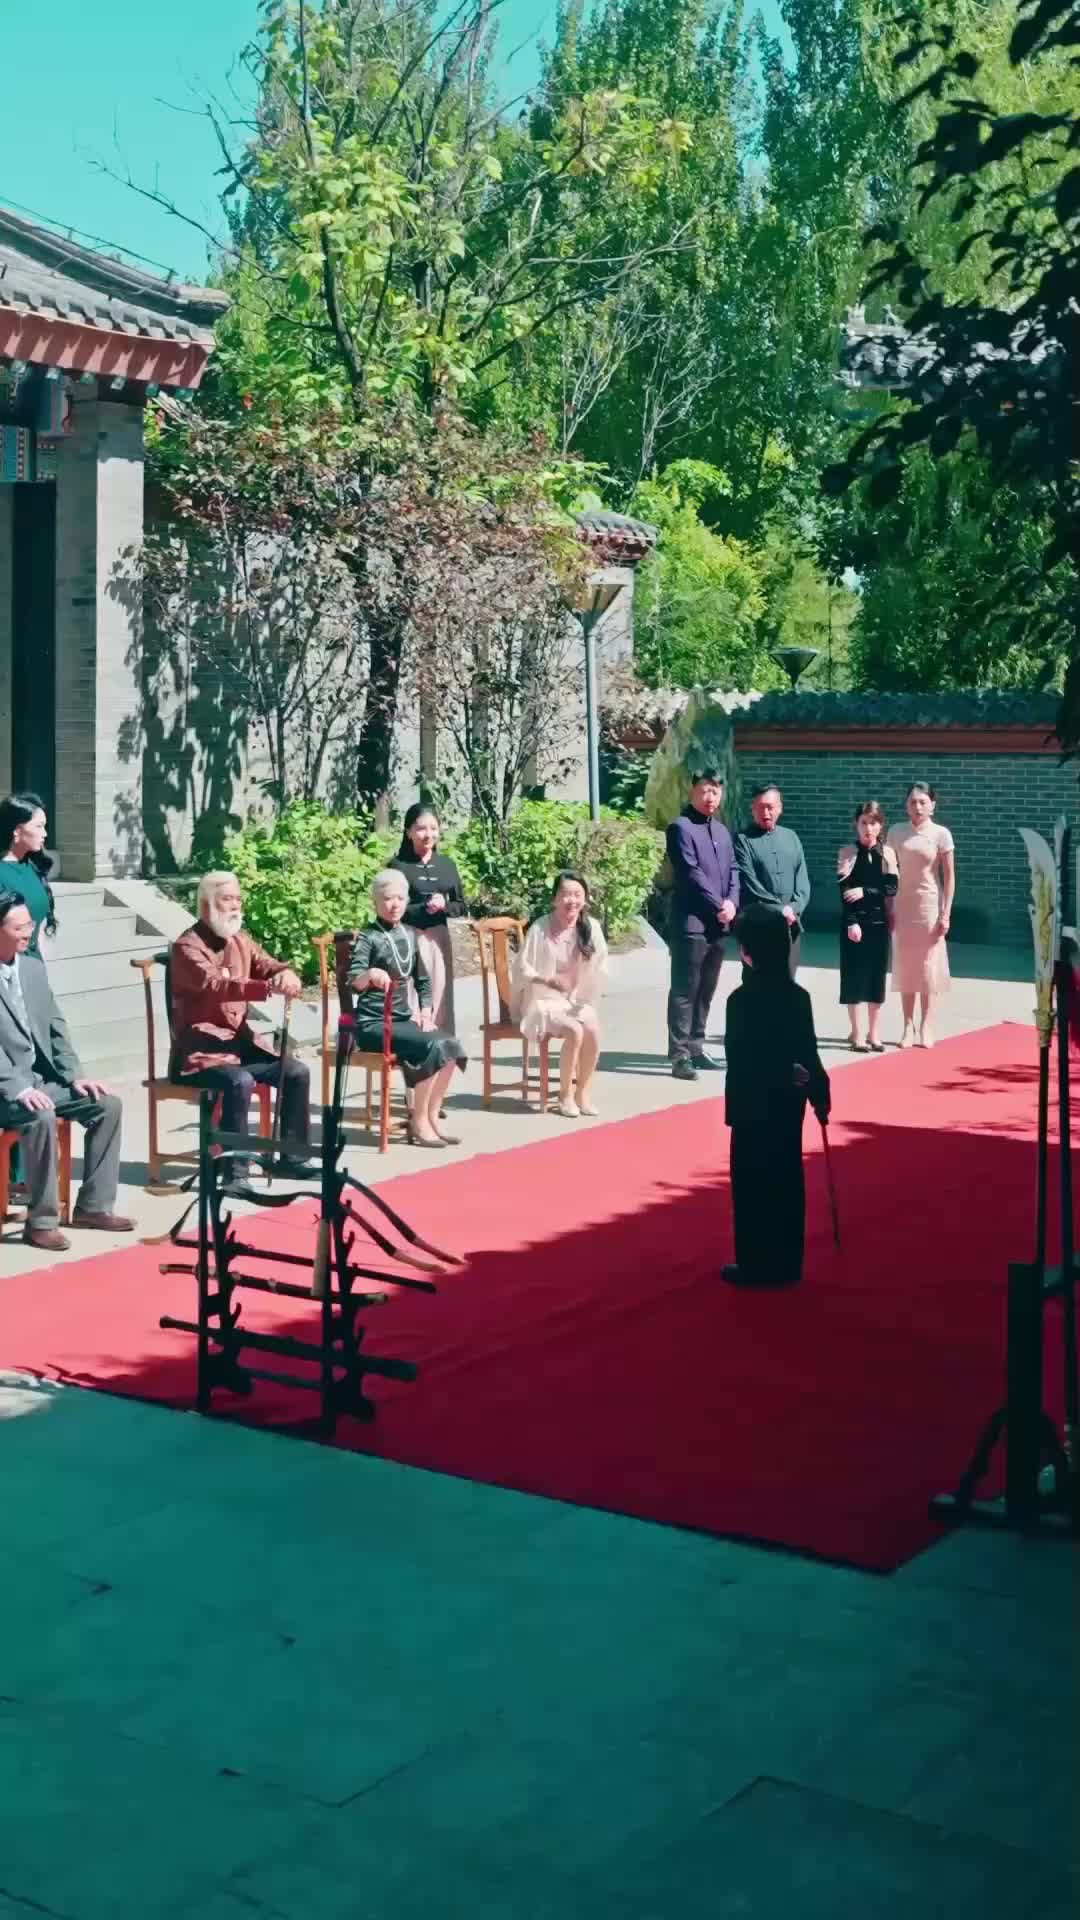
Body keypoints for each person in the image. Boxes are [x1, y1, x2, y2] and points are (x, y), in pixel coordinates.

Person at [0, 890, 133, 1251]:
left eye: (29, 924)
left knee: (107, 1105)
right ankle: (41, 1222)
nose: (28, 931)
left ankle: (93, 1206)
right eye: (19, 927)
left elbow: (55, 1025)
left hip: (41, 1080)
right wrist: (18, 1088)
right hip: (6, 1089)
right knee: (40, 1114)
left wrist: (75, 1075)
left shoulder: (31, 967)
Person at [169, 871, 314, 1179]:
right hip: (202, 1053)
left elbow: (266, 964)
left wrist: (284, 973)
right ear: (206, 905)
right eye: (227, 899)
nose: (235, 906)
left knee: (296, 1072)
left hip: (239, 1046)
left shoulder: (240, 940)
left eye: (238, 899)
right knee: (240, 1081)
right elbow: (214, 984)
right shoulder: (186, 947)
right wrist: (264, 988)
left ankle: (293, 1159)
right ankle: (234, 1171)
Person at [721, 906, 830, 1288]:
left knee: (751, 1184)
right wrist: (819, 1093)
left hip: (752, 1104)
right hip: (787, 1100)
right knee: (786, 1177)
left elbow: (738, 1060)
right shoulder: (798, 997)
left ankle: (754, 1264)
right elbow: (809, 1053)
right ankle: (787, 1262)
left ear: (748, 952)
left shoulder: (740, 1001)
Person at [348, 869, 467, 1149]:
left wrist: (425, 1013)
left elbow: (423, 981)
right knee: (433, 1046)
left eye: (400, 899)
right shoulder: (368, 937)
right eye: (388, 899)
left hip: (402, 1019)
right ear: (376, 902)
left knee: (450, 1045)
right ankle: (419, 1120)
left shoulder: (410, 935)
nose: (394, 905)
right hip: (374, 1023)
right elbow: (353, 981)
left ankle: (431, 1115)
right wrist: (370, 974)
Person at [512, 870, 608, 1118]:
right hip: (542, 1001)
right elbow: (521, 967)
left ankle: (582, 1092)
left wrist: (583, 991)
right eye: (565, 894)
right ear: (555, 898)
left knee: (593, 1029)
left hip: (574, 999)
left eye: (577, 895)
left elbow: (600, 967)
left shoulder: (591, 927)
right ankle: (565, 1094)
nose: (571, 901)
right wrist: (546, 980)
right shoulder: (540, 927)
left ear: (585, 899)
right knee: (574, 1030)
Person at [665, 768, 740, 1082]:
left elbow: (733, 869)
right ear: (692, 791)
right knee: (685, 989)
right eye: (705, 790)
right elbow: (690, 872)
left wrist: (732, 902)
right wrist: (718, 904)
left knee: (707, 988)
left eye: (715, 791)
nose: (710, 797)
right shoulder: (680, 828)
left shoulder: (722, 831)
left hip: (719, 925)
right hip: (692, 922)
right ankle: (679, 1054)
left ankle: (696, 1046)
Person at [886, 781, 956, 1049]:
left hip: (929, 906)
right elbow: (888, 871)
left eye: (922, 802)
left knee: (928, 967)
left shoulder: (941, 834)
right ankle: (907, 1026)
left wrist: (945, 913)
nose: (917, 806)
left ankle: (927, 1025)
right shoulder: (896, 832)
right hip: (902, 905)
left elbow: (949, 877)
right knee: (905, 965)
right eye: (913, 802)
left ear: (932, 805)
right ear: (906, 805)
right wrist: (887, 906)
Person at [389, 803, 467, 1035]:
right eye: (421, 828)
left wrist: (444, 906)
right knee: (411, 995)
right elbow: (391, 908)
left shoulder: (447, 865)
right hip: (408, 939)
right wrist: (423, 907)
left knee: (440, 993)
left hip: (438, 940)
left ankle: (441, 1042)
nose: (428, 834)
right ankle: (411, 1040)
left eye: (433, 828)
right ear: (408, 832)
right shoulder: (397, 866)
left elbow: (461, 906)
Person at [837, 801, 899, 1052]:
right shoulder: (847, 853)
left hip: (878, 923)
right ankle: (858, 1035)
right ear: (856, 824)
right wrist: (852, 922)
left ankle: (874, 1034)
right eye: (863, 823)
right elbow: (844, 892)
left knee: (876, 977)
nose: (868, 828)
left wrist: (865, 891)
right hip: (854, 923)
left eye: (873, 823)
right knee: (854, 977)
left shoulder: (888, 854)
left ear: (880, 825)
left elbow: (891, 888)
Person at [734, 784, 811, 973]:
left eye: (770, 807)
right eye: (760, 807)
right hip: (758, 926)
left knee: (787, 981)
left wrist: (794, 908)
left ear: (780, 808)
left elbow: (802, 881)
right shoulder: (743, 840)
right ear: (753, 809)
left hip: (790, 926)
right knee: (757, 983)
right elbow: (750, 884)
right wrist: (781, 910)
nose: (765, 813)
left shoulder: (791, 837)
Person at [0, 791, 58, 958]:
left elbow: (38, 929)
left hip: (32, 966)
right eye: (39, 826)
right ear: (17, 830)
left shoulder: (31, 868)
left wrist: (39, 967)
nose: (45, 834)